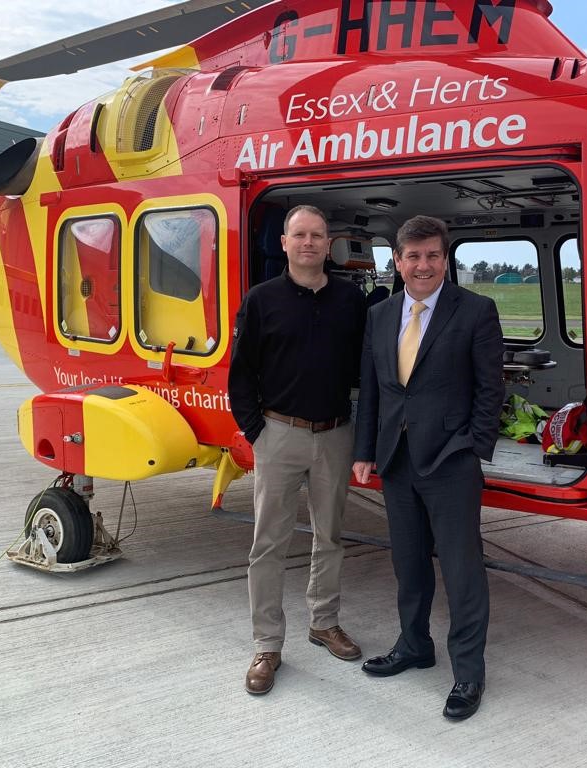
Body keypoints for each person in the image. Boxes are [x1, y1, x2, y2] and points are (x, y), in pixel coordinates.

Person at [352, 215, 504, 720]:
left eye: (433, 256)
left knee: (462, 573)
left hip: (450, 461)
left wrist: (473, 447)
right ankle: (414, 645)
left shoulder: (476, 311)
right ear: (397, 261)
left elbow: (490, 390)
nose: (423, 265)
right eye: (413, 256)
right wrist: (364, 450)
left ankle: (467, 673)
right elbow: (373, 388)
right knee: (409, 565)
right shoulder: (380, 315)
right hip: (396, 460)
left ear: (445, 259)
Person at [228, 204, 367, 695]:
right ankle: (267, 645)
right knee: (268, 544)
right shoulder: (262, 300)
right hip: (278, 434)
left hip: (334, 434)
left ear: (329, 245)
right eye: (299, 235)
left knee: (329, 535)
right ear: (283, 243)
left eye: (318, 235)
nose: (309, 243)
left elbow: (364, 372)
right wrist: (256, 431)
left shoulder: (351, 301)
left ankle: (323, 622)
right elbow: (240, 374)